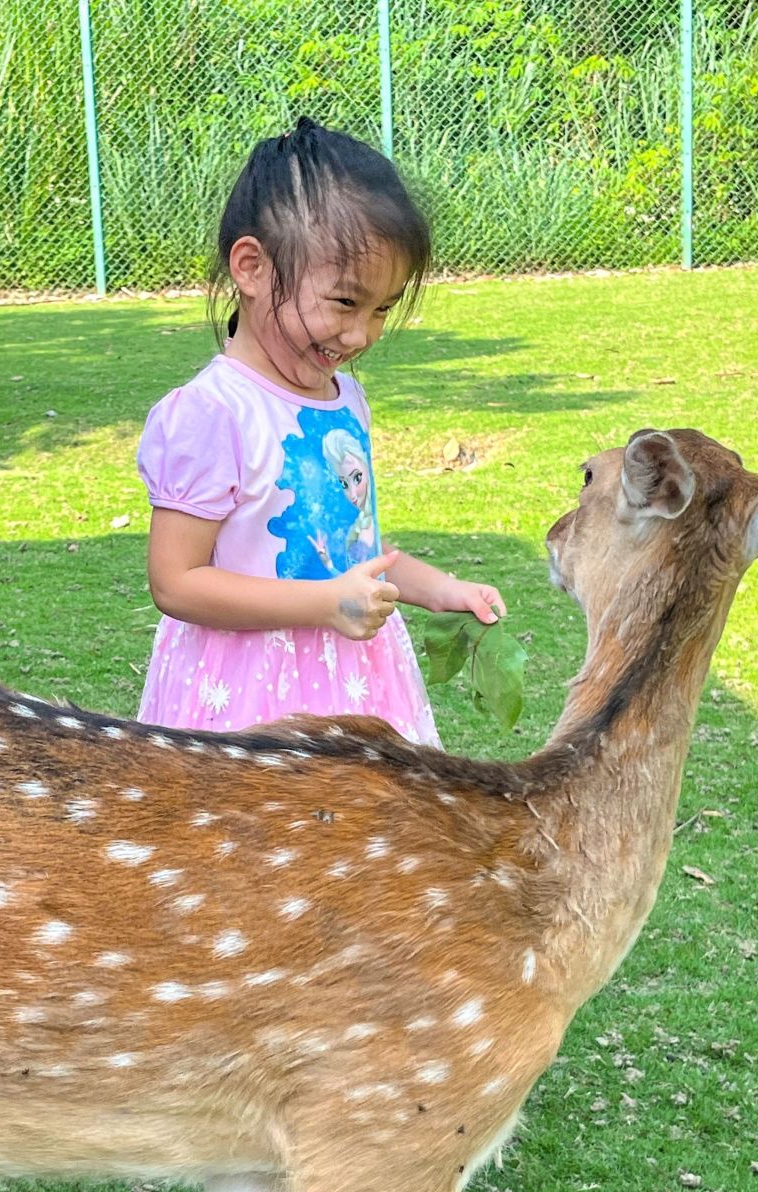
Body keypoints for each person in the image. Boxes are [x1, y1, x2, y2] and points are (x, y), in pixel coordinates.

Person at [136, 118, 504, 748]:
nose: (361, 335)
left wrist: (442, 589)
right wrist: (324, 606)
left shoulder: (346, 398)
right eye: (344, 303)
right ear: (251, 268)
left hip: (356, 680)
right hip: (245, 699)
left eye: (381, 310)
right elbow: (176, 581)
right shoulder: (212, 413)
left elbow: (355, 552)